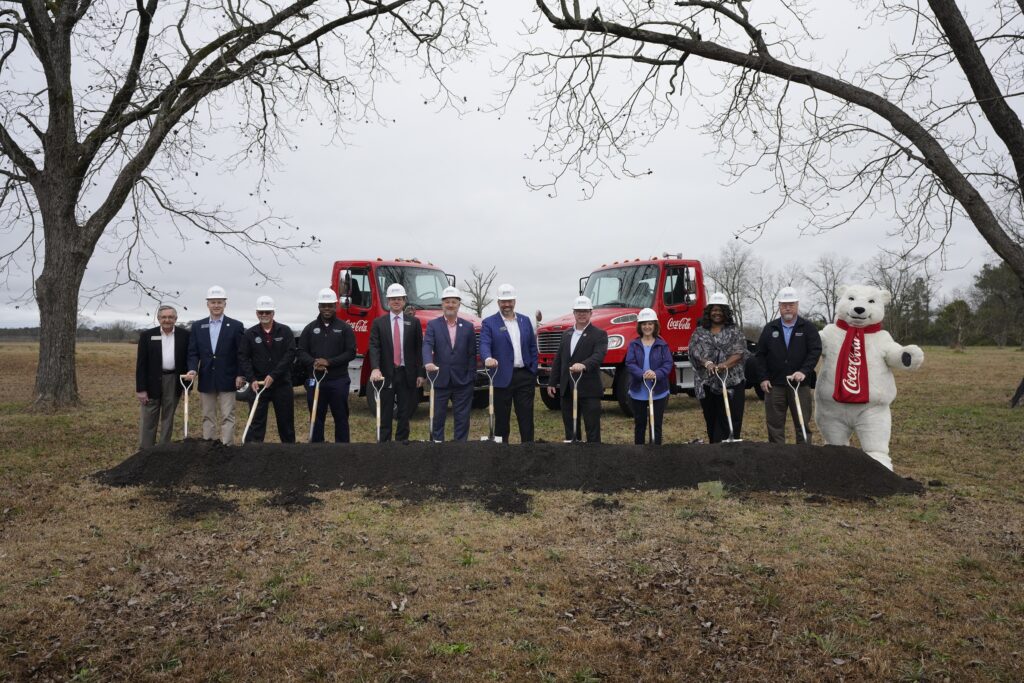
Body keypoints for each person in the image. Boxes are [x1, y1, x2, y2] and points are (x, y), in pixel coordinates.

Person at [754, 286, 822, 444]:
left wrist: (804, 371)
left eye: (791, 304)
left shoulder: (808, 328)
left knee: (802, 423)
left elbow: (815, 351)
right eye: (784, 305)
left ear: (797, 305)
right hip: (774, 385)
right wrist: (763, 378)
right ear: (779, 306)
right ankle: (778, 457)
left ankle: (804, 455)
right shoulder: (770, 328)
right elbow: (760, 355)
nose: (787, 308)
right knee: (775, 425)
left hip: (800, 384)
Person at [186, 286, 245, 444]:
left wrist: (240, 374)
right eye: (213, 302)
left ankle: (226, 448)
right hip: (206, 378)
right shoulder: (198, 326)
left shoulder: (236, 326)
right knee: (208, 415)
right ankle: (209, 447)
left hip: (228, 377)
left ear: (225, 304)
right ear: (207, 304)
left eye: (219, 302)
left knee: (228, 415)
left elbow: (241, 353)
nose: (216, 305)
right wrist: (192, 369)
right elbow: (193, 352)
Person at [480, 283, 539, 443]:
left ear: (514, 301)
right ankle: (501, 453)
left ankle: (528, 450)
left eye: (509, 301)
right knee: (502, 421)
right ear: (498, 302)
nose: (507, 304)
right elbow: (484, 344)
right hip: (501, 377)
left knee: (526, 418)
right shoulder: (489, 323)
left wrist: (533, 369)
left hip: (524, 376)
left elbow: (533, 347)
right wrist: (487, 358)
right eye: (503, 301)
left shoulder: (525, 321)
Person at [297, 288, 357, 442]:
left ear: (335, 306)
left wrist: (329, 362)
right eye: (324, 305)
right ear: (319, 307)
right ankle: (317, 448)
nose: (327, 309)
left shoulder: (344, 328)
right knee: (316, 417)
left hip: (338, 380)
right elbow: (301, 351)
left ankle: (342, 450)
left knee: (341, 417)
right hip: (316, 380)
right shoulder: (310, 328)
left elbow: (350, 353)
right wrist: (314, 363)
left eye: (330, 305)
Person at [547, 295, 609, 442]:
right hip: (568, 388)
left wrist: (584, 364)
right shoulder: (566, 334)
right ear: (573, 313)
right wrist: (551, 382)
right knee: (571, 429)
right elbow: (559, 359)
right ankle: (573, 458)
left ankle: (593, 458)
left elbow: (598, 356)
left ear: (591, 313)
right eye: (578, 311)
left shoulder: (599, 334)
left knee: (592, 429)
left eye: (585, 311)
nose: (582, 314)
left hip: (589, 389)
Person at [688, 292, 748, 443]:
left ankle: (730, 449)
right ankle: (714, 450)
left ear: (726, 313)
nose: (717, 313)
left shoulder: (734, 331)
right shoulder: (700, 332)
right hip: (707, 383)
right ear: (709, 312)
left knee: (730, 417)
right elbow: (694, 351)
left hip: (731, 382)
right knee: (711, 419)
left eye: (720, 310)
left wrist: (724, 365)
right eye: (714, 310)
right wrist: (707, 363)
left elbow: (740, 352)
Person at [368, 283, 425, 442]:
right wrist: (375, 368)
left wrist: (421, 373)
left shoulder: (413, 323)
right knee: (386, 412)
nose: (396, 302)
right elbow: (374, 346)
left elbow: (419, 349)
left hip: (407, 374)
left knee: (404, 413)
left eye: (399, 299)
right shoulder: (379, 323)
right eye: (393, 299)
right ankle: (384, 445)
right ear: (388, 301)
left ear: (404, 300)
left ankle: (401, 445)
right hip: (386, 374)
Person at [238, 296, 296, 443]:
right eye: (261, 312)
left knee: (286, 423)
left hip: (281, 384)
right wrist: (251, 379)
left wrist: (274, 375)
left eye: (267, 312)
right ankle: (255, 454)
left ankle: (290, 454)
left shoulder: (285, 331)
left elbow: (290, 355)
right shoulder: (250, 334)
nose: (264, 315)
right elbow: (243, 357)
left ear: (273, 313)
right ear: (257, 313)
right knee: (256, 423)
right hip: (258, 385)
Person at [422, 286, 476, 441]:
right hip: (440, 379)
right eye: (447, 302)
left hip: (463, 381)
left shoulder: (468, 327)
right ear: (442, 304)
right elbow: (427, 345)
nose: (450, 305)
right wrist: (427, 362)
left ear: (459, 304)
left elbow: (472, 353)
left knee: (462, 419)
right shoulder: (433, 325)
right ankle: (437, 448)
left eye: (454, 302)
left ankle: (459, 450)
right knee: (437, 418)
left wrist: (471, 376)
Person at [135, 304, 190, 448]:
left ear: (176, 319)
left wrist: (187, 387)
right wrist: (141, 389)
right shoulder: (147, 336)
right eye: (164, 317)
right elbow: (141, 364)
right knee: (148, 418)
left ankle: (163, 450)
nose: (167, 320)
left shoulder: (185, 335)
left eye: (170, 317)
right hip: (152, 381)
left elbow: (189, 360)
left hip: (174, 380)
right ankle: (145, 451)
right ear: (158, 318)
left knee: (168, 416)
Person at [624, 308, 674, 445]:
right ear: (640, 326)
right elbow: (630, 362)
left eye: (650, 323)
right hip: (638, 391)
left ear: (655, 325)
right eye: (644, 324)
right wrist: (642, 374)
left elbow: (668, 364)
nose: (647, 327)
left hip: (658, 391)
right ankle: (639, 454)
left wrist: (656, 374)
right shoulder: (634, 344)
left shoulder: (662, 344)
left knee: (656, 424)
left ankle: (656, 453)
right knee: (640, 425)